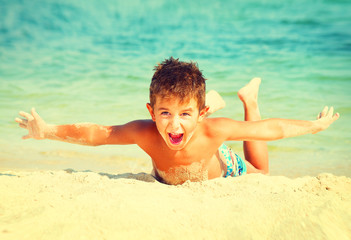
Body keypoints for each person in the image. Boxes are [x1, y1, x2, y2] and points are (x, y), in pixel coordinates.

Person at [15, 57, 340, 185]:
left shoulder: (214, 130)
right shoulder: (144, 132)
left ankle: (249, 99)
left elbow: (269, 129)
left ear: (200, 116)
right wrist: (47, 131)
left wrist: (313, 126)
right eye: (165, 114)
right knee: (183, 121)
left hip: (223, 165)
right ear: (151, 110)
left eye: (184, 114)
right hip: (196, 127)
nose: (173, 126)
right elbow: (99, 133)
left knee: (264, 174)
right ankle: (202, 105)